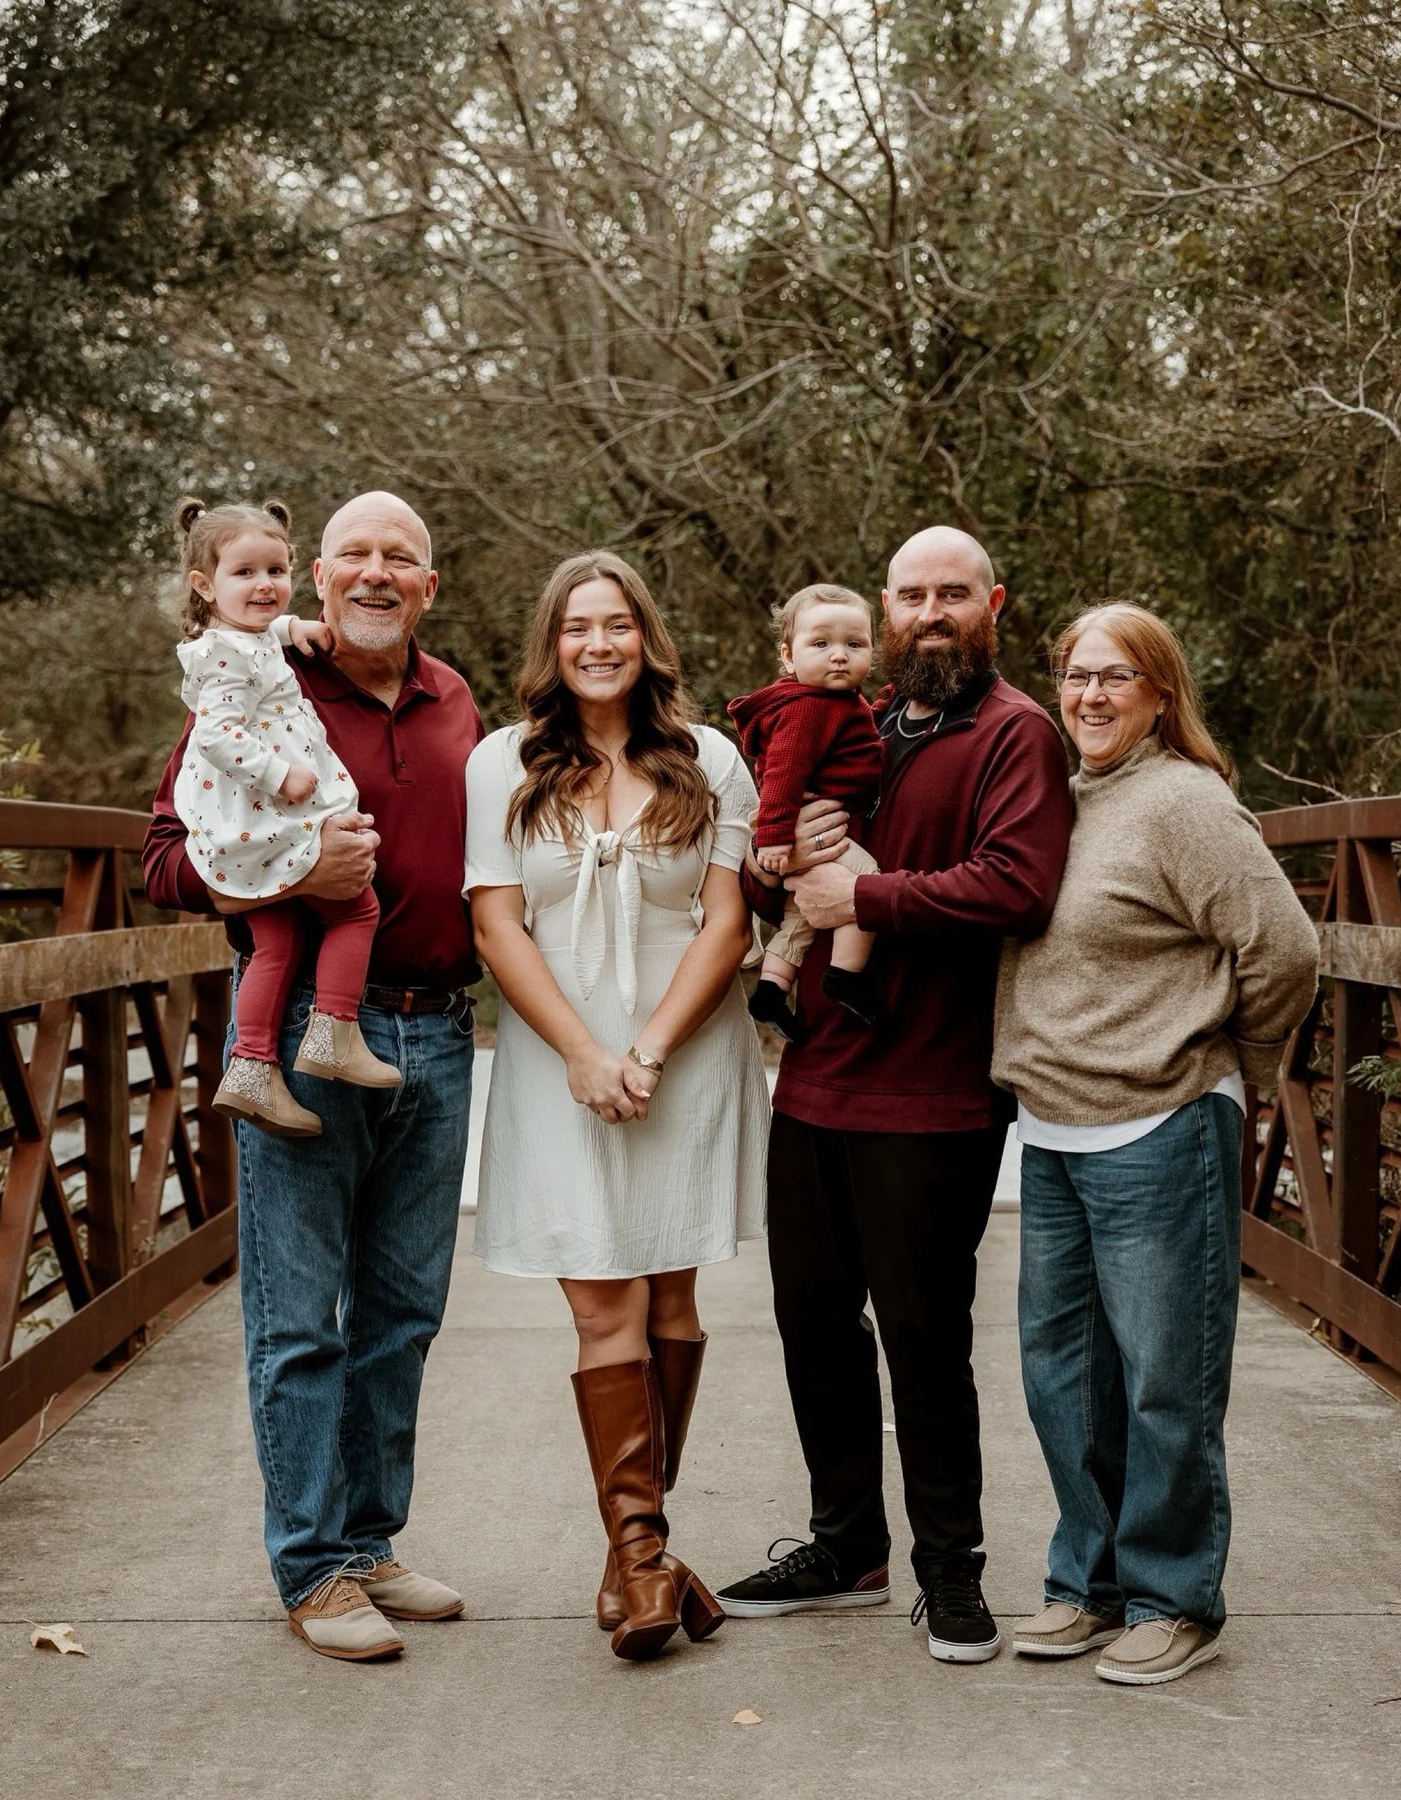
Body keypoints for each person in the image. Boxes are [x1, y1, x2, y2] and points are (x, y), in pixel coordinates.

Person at [719, 526, 1072, 1664]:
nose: (931, 611)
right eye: (911, 594)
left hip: (935, 1092)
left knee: (924, 1336)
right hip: (815, 1075)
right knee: (812, 1322)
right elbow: (777, 847)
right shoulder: (860, 722)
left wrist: (865, 900)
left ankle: (951, 1573)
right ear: (884, 611)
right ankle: (846, 1545)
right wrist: (782, 859)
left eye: (952, 594)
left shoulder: (1015, 733)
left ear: (992, 604)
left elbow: (1016, 886)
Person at [144, 490, 482, 1661]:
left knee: (401, 1315)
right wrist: (290, 880)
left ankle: (369, 1541)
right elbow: (163, 857)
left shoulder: (457, 703)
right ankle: (310, 1567)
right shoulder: (261, 681)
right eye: (355, 556)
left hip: (436, 1035)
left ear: (429, 586)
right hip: (299, 1033)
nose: (377, 573)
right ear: (321, 579)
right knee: (301, 1320)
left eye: (403, 558)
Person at [992, 602, 1318, 1686]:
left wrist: (1233, 1066)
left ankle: (1173, 1597)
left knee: (1165, 1382)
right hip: (1053, 1130)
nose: (1089, 696)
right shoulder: (1058, 799)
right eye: (1076, 676)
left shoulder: (1182, 801)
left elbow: (1284, 949)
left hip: (1160, 1123)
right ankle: (1087, 1585)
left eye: (1116, 677)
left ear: (1160, 694)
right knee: (1062, 1378)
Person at [464, 549, 768, 1662]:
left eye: (619, 624)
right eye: (577, 626)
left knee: (674, 1295)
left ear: (647, 637)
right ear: (551, 645)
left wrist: (642, 1050)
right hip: (558, 1066)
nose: (599, 643)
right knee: (605, 1307)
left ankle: (634, 1558)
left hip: (685, 1059)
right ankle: (645, 1561)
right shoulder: (500, 763)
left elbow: (728, 925)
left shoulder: (713, 762)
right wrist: (588, 1056)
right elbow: (498, 926)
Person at [170, 496, 400, 1136]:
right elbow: (217, 733)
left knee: (277, 941)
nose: (264, 585)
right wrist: (280, 772)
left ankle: (252, 1069)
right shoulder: (223, 656)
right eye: (244, 573)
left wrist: (293, 627)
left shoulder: (244, 639)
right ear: (204, 586)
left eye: (276, 570)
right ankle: (333, 1030)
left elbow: (263, 637)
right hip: (263, 810)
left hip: (255, 823)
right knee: (358, 908)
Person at [727, 583, 885, 1039]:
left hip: (818, 838)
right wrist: (773, 837)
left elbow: (855, 733)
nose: (839, 655)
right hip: (818, 833)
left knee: (801, 918)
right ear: (788, 656)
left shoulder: (834, 702)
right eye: (821, 644)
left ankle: (772, 991)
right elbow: (782, 776)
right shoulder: (806, 710)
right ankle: (845, 978)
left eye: (854, 645)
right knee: (865, 889)